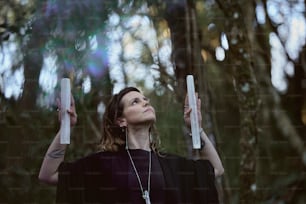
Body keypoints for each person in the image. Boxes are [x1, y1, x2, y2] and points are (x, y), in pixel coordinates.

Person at [38, 86, 224, 204]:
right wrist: (65, 128)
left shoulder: (171, 165)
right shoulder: (103, 164)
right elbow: (48, 174)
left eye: (145, 100)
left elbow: (216, 169)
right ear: (121, 120)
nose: (145, 103)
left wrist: (196, 128)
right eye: (136, 101)